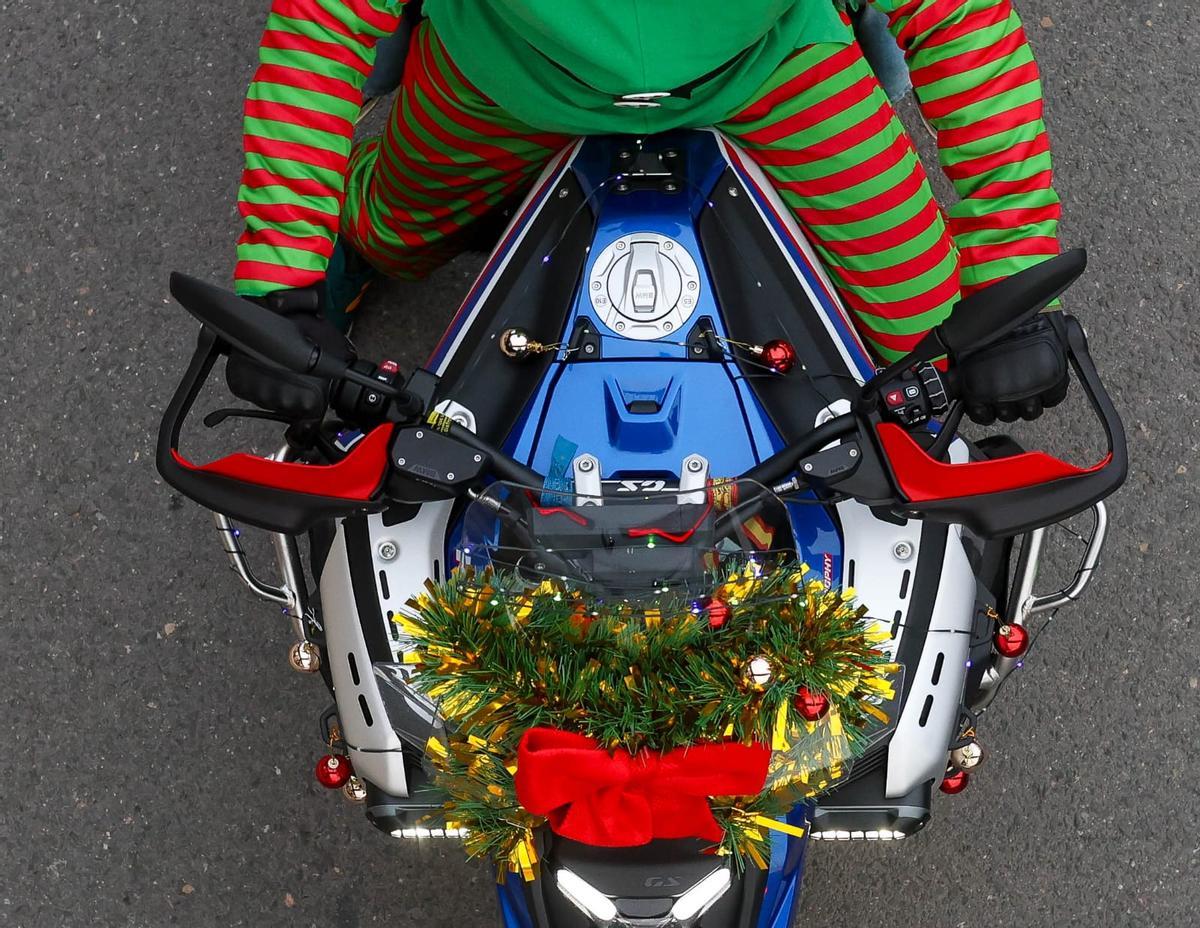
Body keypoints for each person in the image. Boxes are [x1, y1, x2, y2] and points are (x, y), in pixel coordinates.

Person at [228, 0, 1069, 425]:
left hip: (767, 64)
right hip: (507, 76)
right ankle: (356, 244)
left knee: (931, 330)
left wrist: (1012, 284)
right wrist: (282, 281)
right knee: (390, 232)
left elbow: (959, 17)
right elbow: (322, 24)